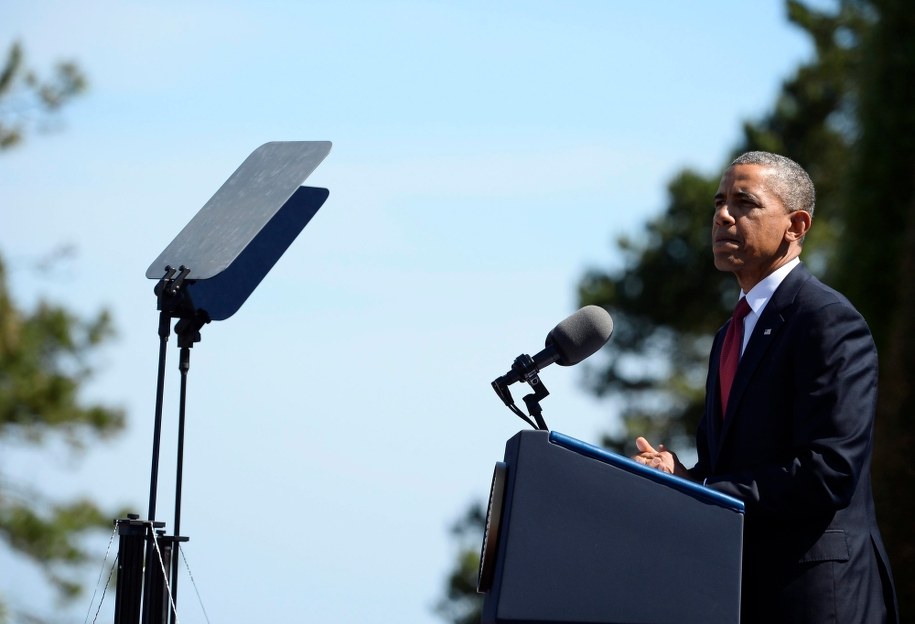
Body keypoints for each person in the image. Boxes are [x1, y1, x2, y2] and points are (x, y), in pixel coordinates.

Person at [633, 151, 898, 623]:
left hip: (816, 598)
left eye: (744, 203)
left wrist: (708, 488)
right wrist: (682, 476)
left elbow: (829, 470)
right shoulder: (730, 335)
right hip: (740, 593)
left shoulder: (827, 321)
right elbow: (731, 468)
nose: (721, 216)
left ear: (796, 225)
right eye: (718, 202)